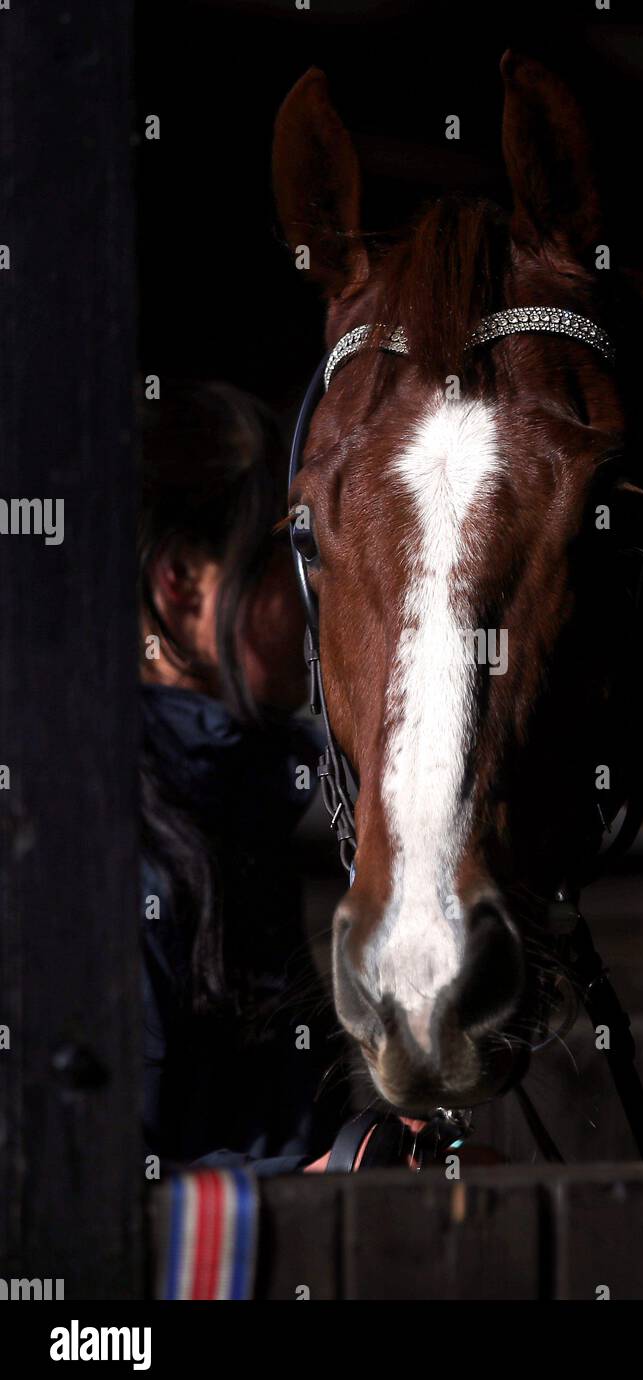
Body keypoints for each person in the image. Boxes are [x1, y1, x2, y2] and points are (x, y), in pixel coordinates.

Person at [139, 380, 345, 1174]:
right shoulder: (98, 840)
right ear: (181, 581)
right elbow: (83, 1199)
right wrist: (319, 1192)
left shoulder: (235, 798)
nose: (315, 603)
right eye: (286, 561)